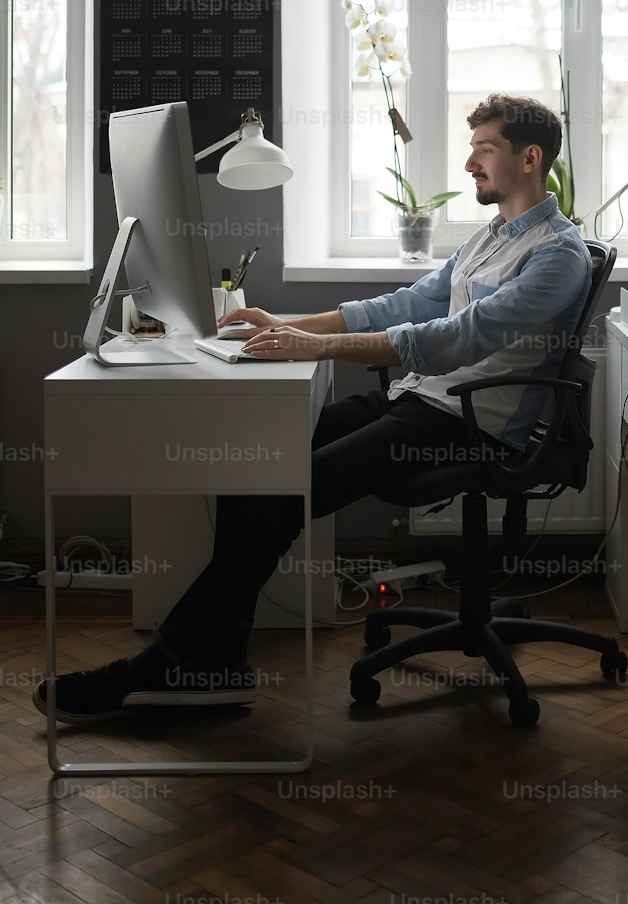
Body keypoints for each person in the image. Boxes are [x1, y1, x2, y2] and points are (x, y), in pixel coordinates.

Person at [35, 93, 592, 723]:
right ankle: (213, 663)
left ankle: (163, 665)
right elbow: (409, 304)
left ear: (530, 158)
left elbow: (454, 340)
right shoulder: (493, 236)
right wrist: (287, 323)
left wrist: (317, 344)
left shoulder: (556, 257)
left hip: (471, 425)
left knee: (280, 492)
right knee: (263, 467)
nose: (469, 163)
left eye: (483, 149)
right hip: (423, 404)